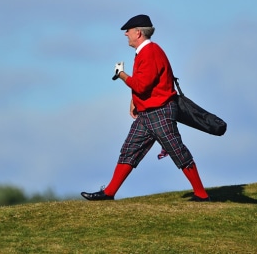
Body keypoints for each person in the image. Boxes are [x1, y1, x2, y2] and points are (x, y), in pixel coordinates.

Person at [81, 14, 210, 202]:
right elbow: (144, 84)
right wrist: (134, 101)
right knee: (129, 150)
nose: (126, 34)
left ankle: (202, 194)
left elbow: (142, 85)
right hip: (148, 112)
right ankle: (109, 193)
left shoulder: (149, 52)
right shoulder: (145, 52)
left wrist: (121, 75)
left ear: (138, 33)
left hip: (159, 111)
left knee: (177, 150)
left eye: (129, 31)